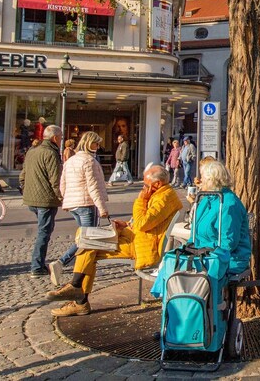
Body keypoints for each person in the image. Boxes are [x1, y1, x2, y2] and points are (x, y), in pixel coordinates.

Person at [46, 164, 183, 316]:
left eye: (146, 185)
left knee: (88, 247)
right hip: (136, 239)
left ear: (157, 184)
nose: (143, 188)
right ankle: (78, 294)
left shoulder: (164, 197)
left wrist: (140, 201)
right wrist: (127, 224)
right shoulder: (160, 194)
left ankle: (79, 295)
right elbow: (145, 223)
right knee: (88, 243)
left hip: (142, 247)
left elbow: (144, 223)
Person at [50, 131, 110, 287]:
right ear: (89, 143)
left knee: (85, 237)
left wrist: (67, 199)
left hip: (74, 204)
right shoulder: (89, 161)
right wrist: (102, 207)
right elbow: (93, 187)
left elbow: (62, 183)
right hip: (86, 203)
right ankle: (64, 263)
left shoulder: (71, 160)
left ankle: (79, 267)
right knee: (88, 238)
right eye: (96, 143)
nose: (98, 146)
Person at [187, 160, 251, 277]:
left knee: (189, 276)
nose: (200, 181)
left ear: (212, 180)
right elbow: (193, 235)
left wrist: (202, 251)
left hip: (227, 259)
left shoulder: (228, 204)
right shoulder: (206, 198)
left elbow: (228, 243)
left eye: (203, 178)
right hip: (204, 254)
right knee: (172, 262)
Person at [20, 125, 64, 277]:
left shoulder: (32, 152)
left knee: (43, 231)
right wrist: (62, 198)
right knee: (44, 232)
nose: (61, 140)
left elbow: (22, 175)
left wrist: (24, 190)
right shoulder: (51, 153)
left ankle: (38, 263)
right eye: (61, 137)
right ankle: (37, 266)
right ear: (55, 138)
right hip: (45, 200)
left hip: (31, 199)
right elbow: (55, 180)